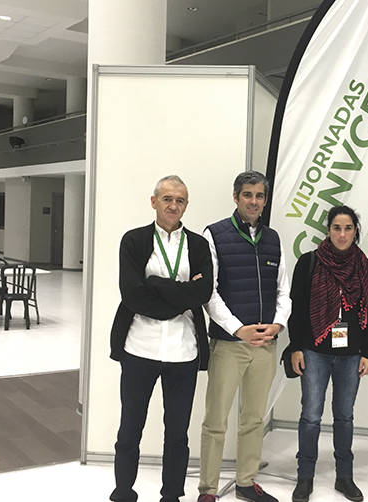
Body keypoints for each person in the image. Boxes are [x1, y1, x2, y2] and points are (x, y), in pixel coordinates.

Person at [108, 175, 213, 502]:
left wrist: (156, 284)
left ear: (186, 206)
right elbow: (132, 294)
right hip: (139, 348)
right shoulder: (134, 241)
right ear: (154, 202)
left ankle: (171, 495)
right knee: (130, 429)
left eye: (180, 200)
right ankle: (124, 491)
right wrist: (182, 294)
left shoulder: (197, 245)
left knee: (178, 434)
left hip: (184, 351)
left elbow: (204, 292)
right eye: (167, 199)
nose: (173, 206)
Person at [198, 171, 292, 502]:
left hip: (266, 344)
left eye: (259, 196)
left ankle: (245, 482)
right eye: (248, 194)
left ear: (265, 201)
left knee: (254, 418)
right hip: (229, 344)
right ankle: (208, 489)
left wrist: (277, 324)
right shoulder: (215, 234)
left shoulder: (274, 238)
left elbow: (284, 291)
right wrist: (238, 328)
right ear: (236, 197)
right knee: (216, 420)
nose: (254, 201)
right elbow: (208, 291)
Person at [288, 205, 368, 502]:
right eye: (336, 228)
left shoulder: (363, 265)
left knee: (345, 416)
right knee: (311, 415)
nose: (342, 234)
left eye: (348, 228)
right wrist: (296, 347)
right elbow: (297, 309)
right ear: (328, 230)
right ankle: (305, 477)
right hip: (315, 352)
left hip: (351, 354)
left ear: (355, 231)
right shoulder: (310, 262)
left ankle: (344, 477)